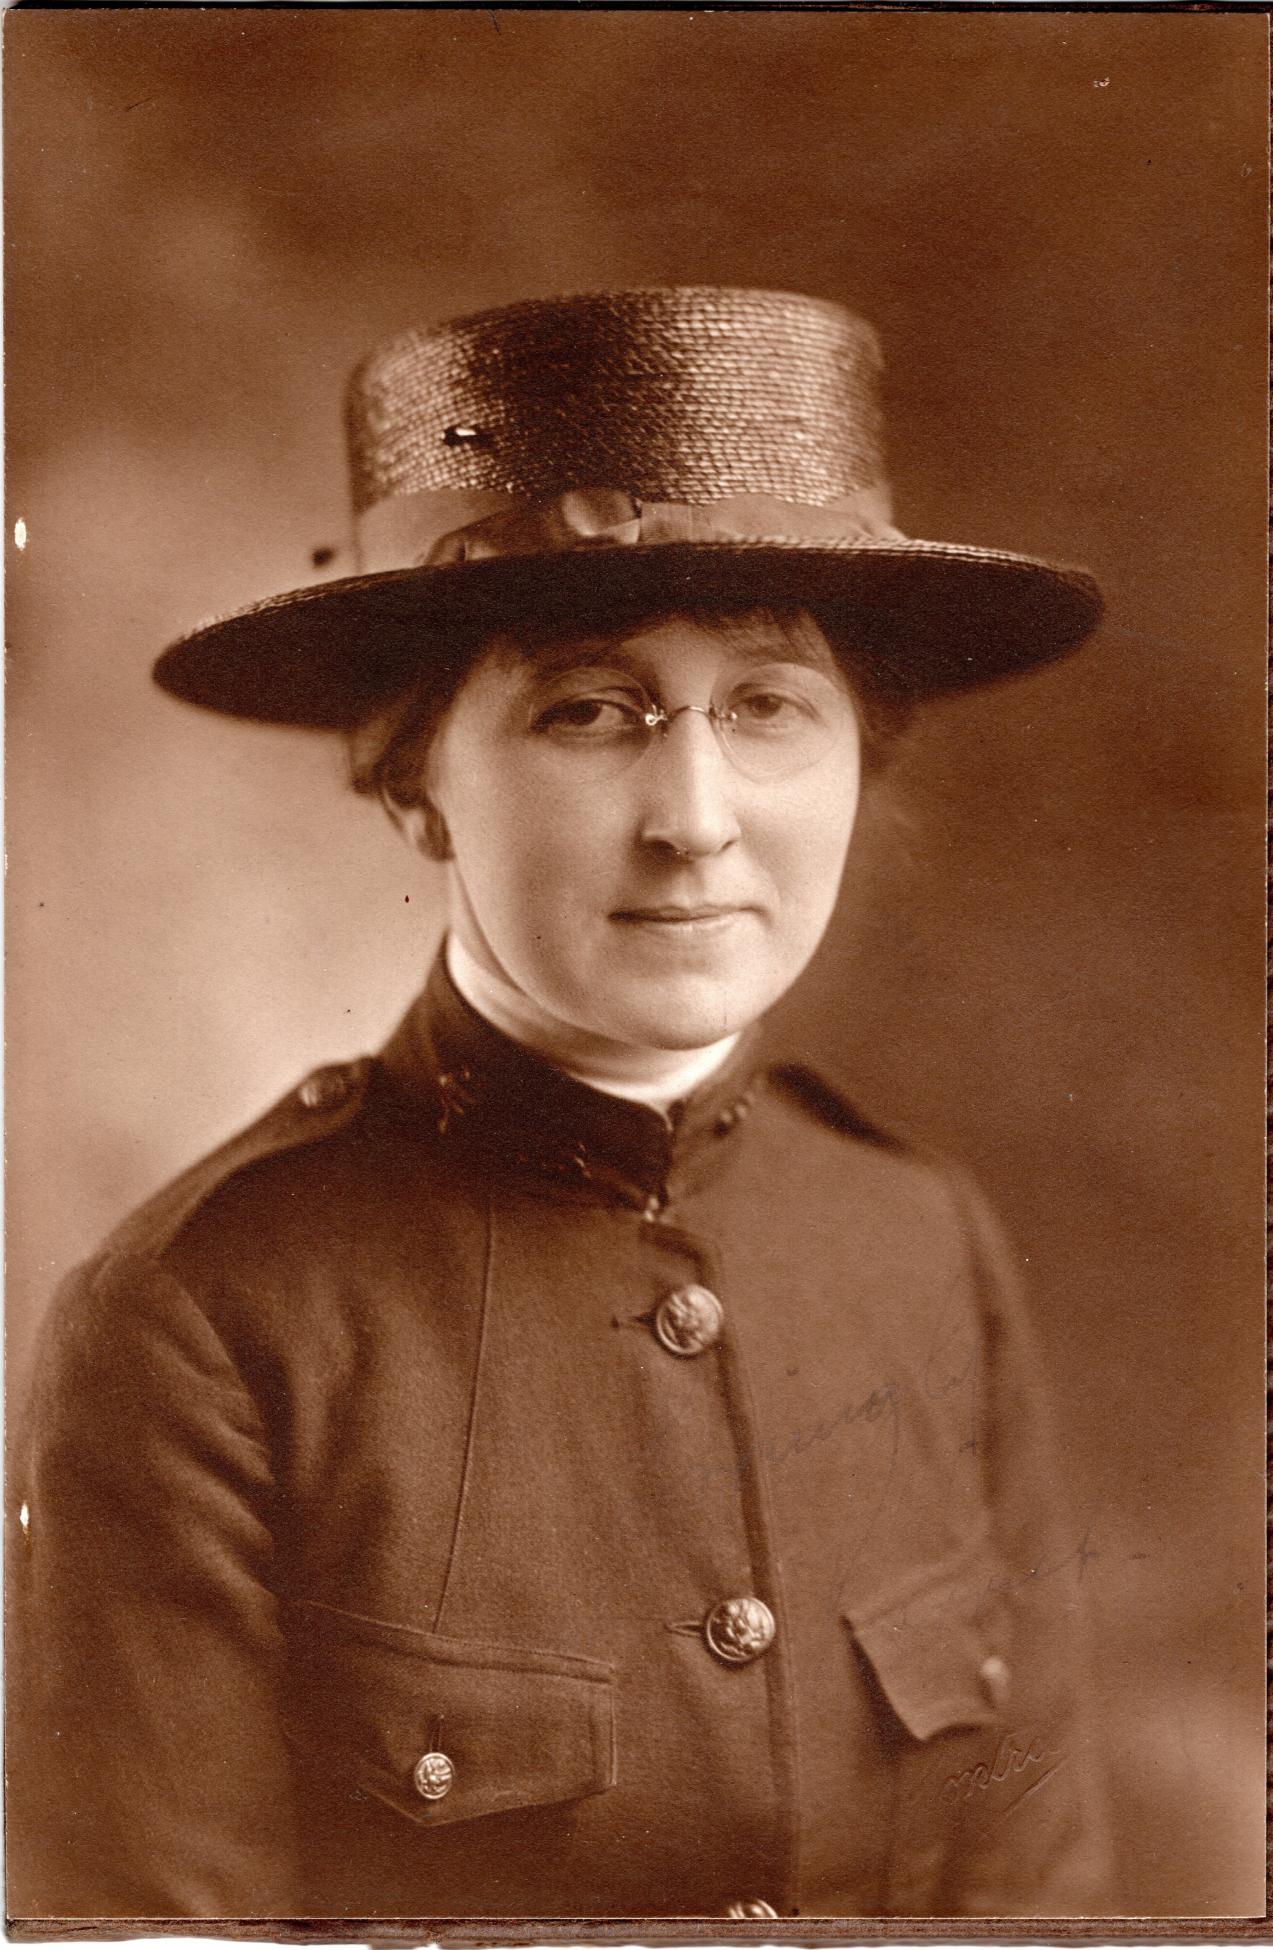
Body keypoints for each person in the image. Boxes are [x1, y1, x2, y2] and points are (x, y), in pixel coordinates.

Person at [11, 287, 1116, 1919]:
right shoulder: (203, 1323)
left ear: (859, 759)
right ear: (416, 779)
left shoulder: (921, 1241)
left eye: (768, 707)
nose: (696, 818)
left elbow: (1047, 1896)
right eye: (589, 710)